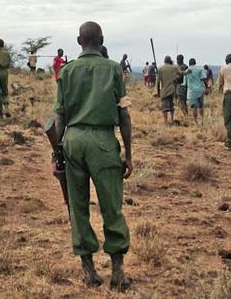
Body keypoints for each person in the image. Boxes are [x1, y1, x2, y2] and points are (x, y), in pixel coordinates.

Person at [54, 21, 133, 292]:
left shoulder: (66, 71)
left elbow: (59, 116)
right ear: (102, 40)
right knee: (111, 205)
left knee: (77, 206)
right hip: (102, 140)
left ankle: (88, 269)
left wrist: (57, 153)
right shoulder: (112, 68)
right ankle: (118, 270)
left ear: (79, 41)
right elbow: (123, 114)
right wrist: (129, 154)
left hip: (72, 141)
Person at [157, 56, 189, 124]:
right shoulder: (174, 67)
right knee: (171, 106)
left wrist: (158, 92)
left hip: (164, 90)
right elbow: (181, 73)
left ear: (164, 61)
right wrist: (188, 72)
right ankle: (171, 119)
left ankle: (165, 121)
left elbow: (158, 82)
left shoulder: (160, 69)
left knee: (164, 107)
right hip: (172, 90)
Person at [182, 58, 207, 124]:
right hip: (200, 91)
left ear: (189, 63)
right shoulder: (200, 69)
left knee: (194, 107)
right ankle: (202, 120)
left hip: (191, 92)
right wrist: (206, 87)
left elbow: (185, 84)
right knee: (201, 106)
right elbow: (204, 79)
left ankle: (196, 122)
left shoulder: (187, 71)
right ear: (195, 63)